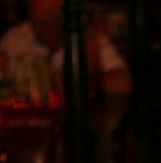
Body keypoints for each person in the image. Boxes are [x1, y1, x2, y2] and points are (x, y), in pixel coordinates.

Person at [0, 0, 131, 104]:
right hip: (24, 121)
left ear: (64, 20)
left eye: (46, 23)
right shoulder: (14, 39)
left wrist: (79, 82)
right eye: (34, 22)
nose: (37, 29)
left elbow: (123, 83)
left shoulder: (89, 41)